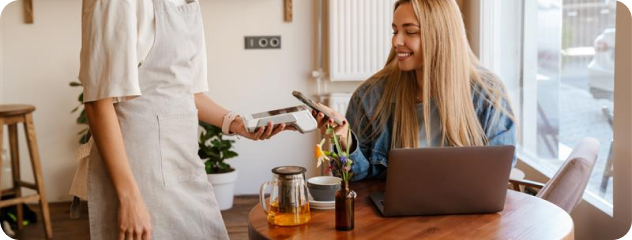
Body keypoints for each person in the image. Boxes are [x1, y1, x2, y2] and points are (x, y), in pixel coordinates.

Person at [75, 0, 285, 239]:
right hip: (140, 171)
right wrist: (130, 199)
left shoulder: (186, 3)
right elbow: (98, 102)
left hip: (183, 161)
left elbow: (188, 91)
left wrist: (236, 123)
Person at [314, 0, 516, 181]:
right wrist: (346, 142)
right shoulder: (370, 96)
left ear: (441, 36)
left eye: (410, 31)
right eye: (395, 31)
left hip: (467, 216)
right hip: (395, 219)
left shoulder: (488, 94)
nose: (396, 42)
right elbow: (351, 179)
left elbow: (498, 173)